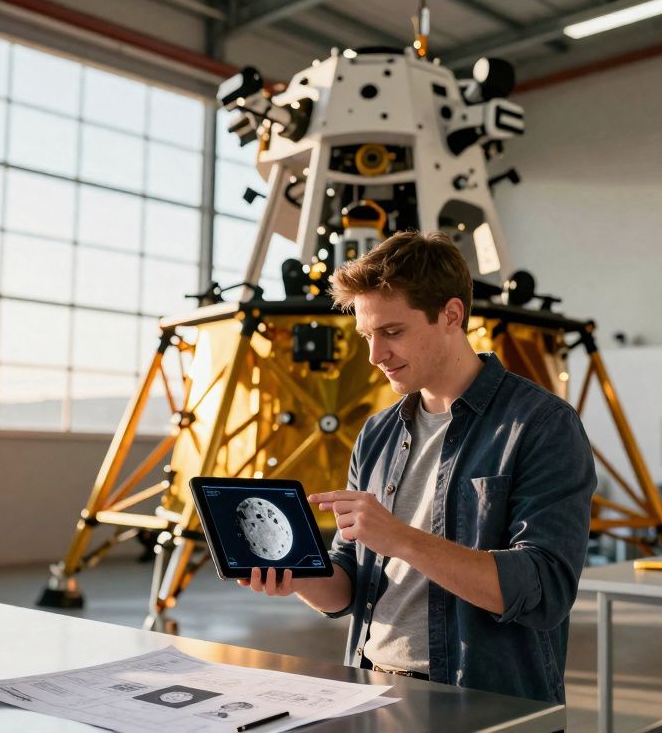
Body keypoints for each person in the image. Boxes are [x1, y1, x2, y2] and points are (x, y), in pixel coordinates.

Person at [238, 230, 596, 703]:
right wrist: (297, 575)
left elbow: (543, 588)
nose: (375, 355)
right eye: (367, 335)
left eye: (392, 332)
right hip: (373, 689)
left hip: (483, 703)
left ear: (451, 315)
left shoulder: (542, 425)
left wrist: (401, 538)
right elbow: (348, 586)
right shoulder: (376, 434)